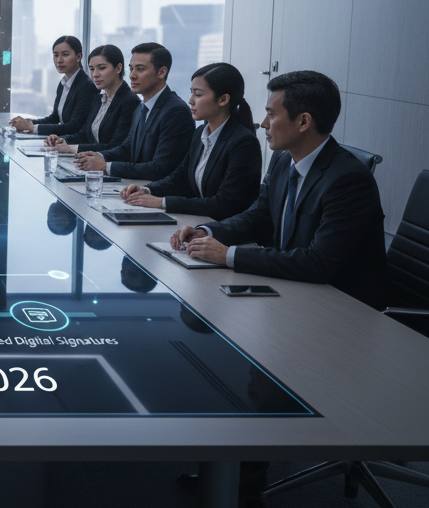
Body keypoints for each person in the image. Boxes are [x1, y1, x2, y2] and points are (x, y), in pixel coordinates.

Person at [171, 70, 388, 309]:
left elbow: (318, 262)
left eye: (271, 115)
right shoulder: (284, 161)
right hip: (293, 291)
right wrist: (207, 233)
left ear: (304, 121)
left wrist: (227, 255)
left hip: (341, 307)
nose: (263, 124)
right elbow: (257, 218)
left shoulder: (349, 181)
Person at [119, 62, 261, 220]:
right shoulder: (201, 133)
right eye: (191, 93)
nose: (190, 101)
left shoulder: (244, 143)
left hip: (224, 232)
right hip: (199, 222)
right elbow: (180, 178)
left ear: (223, 99)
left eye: (198, 95)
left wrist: (162, 202)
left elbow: (224, 204)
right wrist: (147, 190)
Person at [74, 42, 192, 180]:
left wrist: (106, 166)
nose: (131, 76)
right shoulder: (143, 106)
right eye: (131, 69)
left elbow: (160, 169)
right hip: (135, 187)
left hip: (153, 193)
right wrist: (98, 156)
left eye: (140, 69)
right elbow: (127, 148)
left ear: (162, 72)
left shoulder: (176, 111)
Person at [43, 45, 139, 154]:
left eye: (101, 68)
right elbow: (84, 134)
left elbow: (116, 146)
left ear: (118, 68)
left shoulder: (130, 101)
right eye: (92, 69)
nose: (95, 75)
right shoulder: (99, 99)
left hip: (106, 166)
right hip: (90, 163)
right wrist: (62, 140)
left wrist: (72, 149)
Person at [11, 35, 98, 136]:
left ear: (78, 57)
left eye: (65, 55)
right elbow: (55, 118)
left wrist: (32, 127)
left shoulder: (86, 86)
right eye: (56, 55)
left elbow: (75, 127)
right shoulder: (63, 83)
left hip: (76, 146)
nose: (59, 60)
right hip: (62, 142)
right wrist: (26, 123)